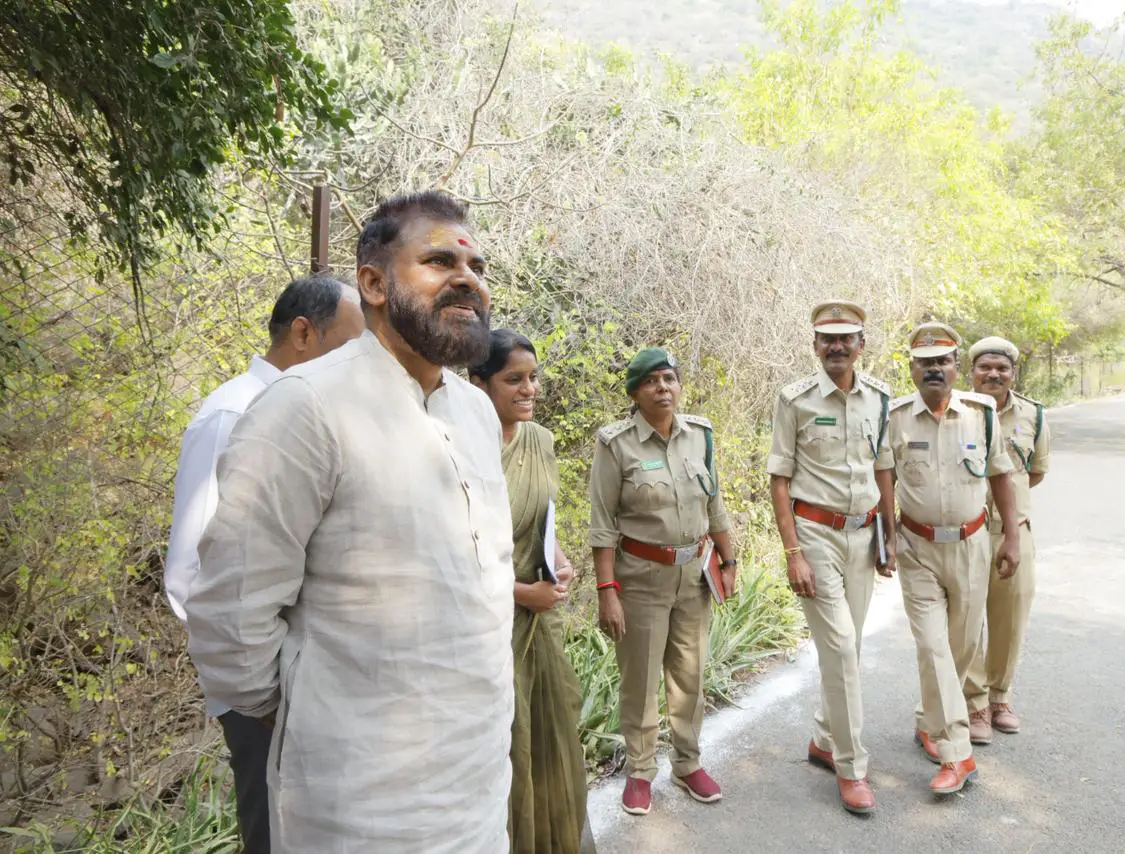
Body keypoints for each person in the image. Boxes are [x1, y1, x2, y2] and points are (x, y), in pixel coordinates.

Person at [184, 191, 515, 853]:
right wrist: (318, 711)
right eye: (439, 259)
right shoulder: (304, 407)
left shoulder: (477, 414)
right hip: (356, 809)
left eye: (477, 265)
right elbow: (230, 614)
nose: (467, 278)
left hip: (477, 789)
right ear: (372, 282)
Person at [164, 274, 363, 853]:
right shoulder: (232, 413)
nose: (358, 365)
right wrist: (258, 692)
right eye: (349, 347)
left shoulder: (316, 413)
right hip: (264, 693)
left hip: (311, 680)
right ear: (304, 333)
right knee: (275, 830)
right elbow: (190, 573)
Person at [588, 348, 738, 817]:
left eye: (670, 379)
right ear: (635, 393)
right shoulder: (616, 445)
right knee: (641, 677)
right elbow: (602, 524)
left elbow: (715, 505)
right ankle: (639, 771)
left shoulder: (701, 436)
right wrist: (606, 591)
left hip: (693, 575)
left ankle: (688, 762)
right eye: (652, 381)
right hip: (640, 579)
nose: (663, 388)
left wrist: (729, 559)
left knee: (689, 676)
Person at [875, 322, 1021, 796]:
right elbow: (884, 482)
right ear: (912, 369)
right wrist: (887, 539)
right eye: (924, 362)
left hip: (972, 545)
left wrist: (1012, 537)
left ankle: (928, 719)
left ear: (956, 368)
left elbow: (1001, 476)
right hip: (916, 548)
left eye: (942, 361)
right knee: (934, 647)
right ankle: (957, 752)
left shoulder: (981, 414)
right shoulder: (894, 416)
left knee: (960, 648)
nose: (933, 369)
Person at [766, 299, 893, 815]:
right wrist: (792, 550)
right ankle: (851, 766)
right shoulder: (793, 399)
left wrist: (890, 532)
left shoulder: (881, 398)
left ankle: (823, 737)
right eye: (827, 339)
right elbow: (778, 480)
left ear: (862, 345)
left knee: (851, 647)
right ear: (815, 345)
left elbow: (883, 468)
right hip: (814, 535)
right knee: (840, 647)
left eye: (846, 339)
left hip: (863, 537)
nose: (836, 347)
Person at [469, 329, 591, 854]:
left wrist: (558, 561)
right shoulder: (462, 447)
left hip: (542, 617)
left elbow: (544, 519)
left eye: (533, 378)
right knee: (507, 744)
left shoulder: (539, 439)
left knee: (553, 730)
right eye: (512, 379)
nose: (528, 389)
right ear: (479, 383)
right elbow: (456, 552)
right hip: (488, 618)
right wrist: (520, 592)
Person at [963, 336, 1051, 741]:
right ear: (972, 373)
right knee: (964, 620)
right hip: (966, 531)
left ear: (1013, 373)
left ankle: (1000, 696)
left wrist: (1010, 516)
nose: (993, 374)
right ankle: (974, 703)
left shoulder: (1034, 414)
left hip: (1015, 533)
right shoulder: (956, 412)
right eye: (985, 367)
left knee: (1010, 617)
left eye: (1002, 368)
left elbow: (1034, 471)